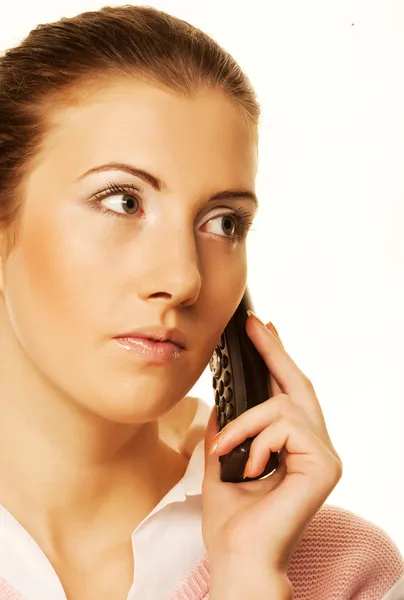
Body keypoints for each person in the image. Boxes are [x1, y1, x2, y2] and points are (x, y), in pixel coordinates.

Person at [0, 5, 402, 600]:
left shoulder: (345, 571)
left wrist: (248, 580)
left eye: (223, 223)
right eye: (121, 201)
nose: (184, 278)